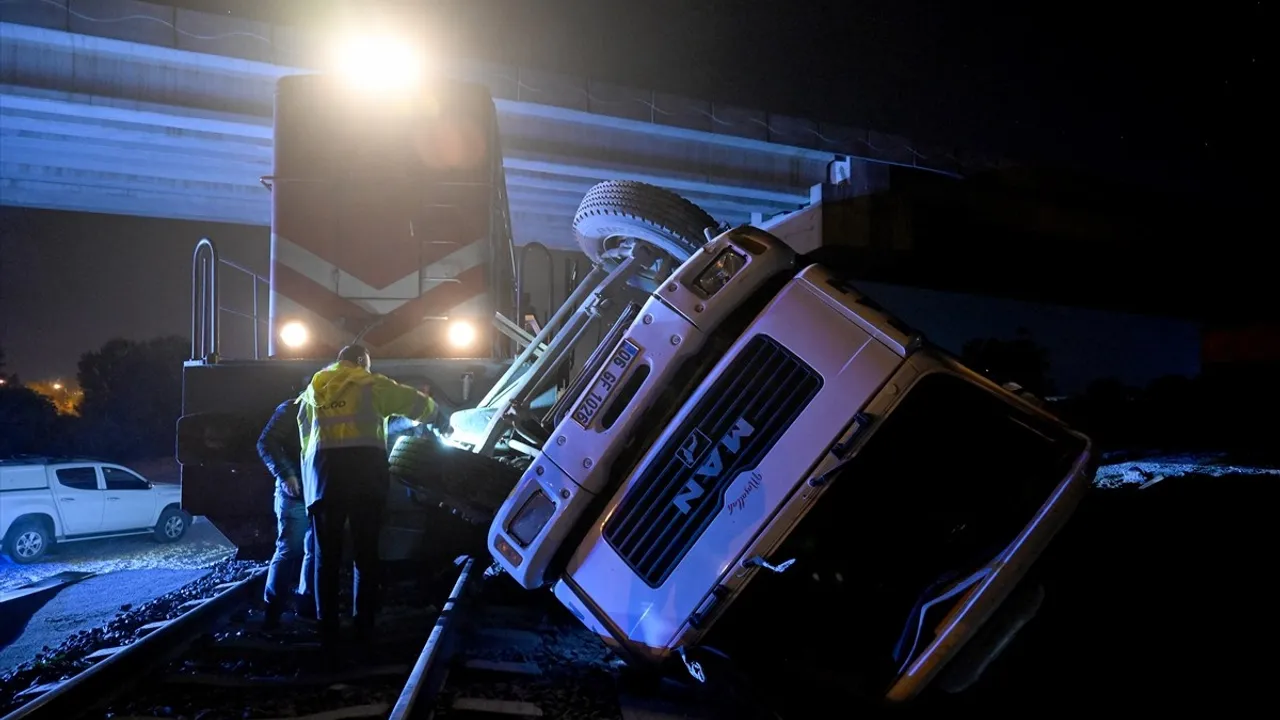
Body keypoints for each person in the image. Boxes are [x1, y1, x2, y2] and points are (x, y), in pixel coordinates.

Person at [297, 344, 439, 646]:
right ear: (362, 362)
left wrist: (311, 481)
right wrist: (437, 415)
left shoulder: (315, 388)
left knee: (326, 558)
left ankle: (328, 630)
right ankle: (364, 625)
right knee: (366, 554)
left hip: (324, 478)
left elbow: (305, 436)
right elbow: (414, 402)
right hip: (364, 478)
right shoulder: (368, 382)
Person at [256, 396, 314, 629]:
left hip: (313, 491)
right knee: (292, 549)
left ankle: (303, 607)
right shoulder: (293, 408)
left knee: (311, 550)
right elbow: (266, 442)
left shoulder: (322, 408)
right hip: (297, 491)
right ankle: (274, 609)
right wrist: (286, 474)